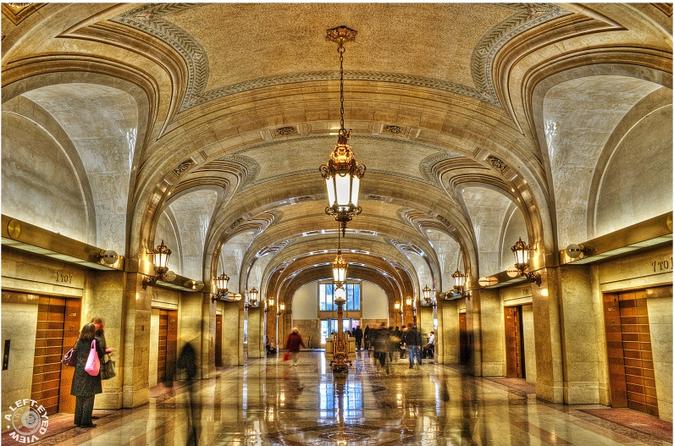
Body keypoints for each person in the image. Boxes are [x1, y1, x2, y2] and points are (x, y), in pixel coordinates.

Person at [71, 323, 104, 428]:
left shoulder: (78, 341)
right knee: (89, 396)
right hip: (90, 371)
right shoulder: (95, 342)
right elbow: (101, 354)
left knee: (80, 396)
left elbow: (75, 354)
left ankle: (78, 420)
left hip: (79, 371)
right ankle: (86, 422)